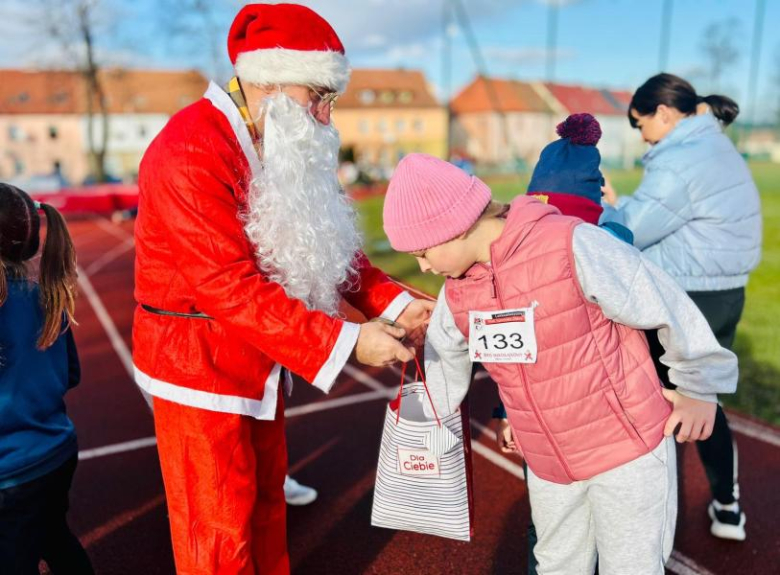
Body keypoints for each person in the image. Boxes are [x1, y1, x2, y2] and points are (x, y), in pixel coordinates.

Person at [132, 4, 433, 574]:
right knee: (217, 531)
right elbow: (227, 286)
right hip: (199, 369)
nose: (324, 115)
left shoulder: (273, 134)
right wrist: (347, 342)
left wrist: (402, 304)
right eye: (316, 94)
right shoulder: (191, 148)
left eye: (330, 99)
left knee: (266, 509)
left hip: (259, 354)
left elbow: (330, 248)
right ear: (266, 78)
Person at [382, 153, 737, 574]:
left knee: (632, 567)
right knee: (556, 566)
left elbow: (665, 303)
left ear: (453, 227)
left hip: (625, 451)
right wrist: (428, 426)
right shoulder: (457, 290)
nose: (421, 266)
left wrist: (698, 388)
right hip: (548, 462)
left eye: (423, 253)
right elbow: (448, 354)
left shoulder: (570, 243)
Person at [601, 73, 762, 541]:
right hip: (724, 291)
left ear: (664, 114)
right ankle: (727, 507)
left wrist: (601, 205)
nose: (641, 135)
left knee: (661, 400)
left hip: (688, 296)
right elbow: (676, 217)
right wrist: (622, 203)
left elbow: (631, 230)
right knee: (703, 398)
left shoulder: (680, 160)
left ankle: (652, 522)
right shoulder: (711, 146)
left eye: (640, 124)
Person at [490, 113, 633, 575]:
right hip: (572, 425)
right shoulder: (613, 241)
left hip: (593, 425)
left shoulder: (609, 248)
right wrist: (510, 410)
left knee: (569, 536)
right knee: (564, 534)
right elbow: (506, 342)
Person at [0, 184, 94, 574]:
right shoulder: (47, 297)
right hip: (57, 453)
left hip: (11, 473)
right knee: (54, 536)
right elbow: (71, 374)